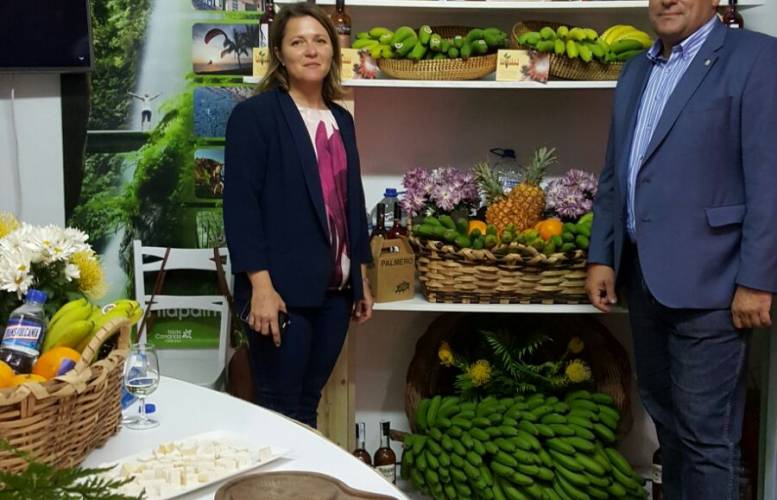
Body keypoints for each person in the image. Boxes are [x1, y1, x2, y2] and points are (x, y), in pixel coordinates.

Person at [585, 0, 777, 497]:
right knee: (668, 428)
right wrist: (603, 254)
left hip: (715, 284)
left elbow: (769, 180)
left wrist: (757, 281)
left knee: (707, 439)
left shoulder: (756, 58)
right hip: (644, 282)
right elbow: (616, 173)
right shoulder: (635, 70)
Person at [223, 3, 374, 428]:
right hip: (281, 294)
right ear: (280, 53)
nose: (311, 50)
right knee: (279, 410)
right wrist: (261, 288)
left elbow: (350, 200)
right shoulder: (255, 116)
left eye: (320, 40)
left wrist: (361, 277)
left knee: (307, 405)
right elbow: (240, 207)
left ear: (333, 51)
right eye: (298, 42)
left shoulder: (342, 119)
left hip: (336, 296)